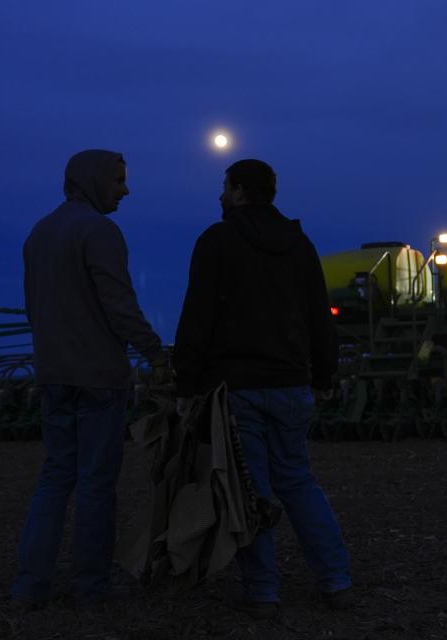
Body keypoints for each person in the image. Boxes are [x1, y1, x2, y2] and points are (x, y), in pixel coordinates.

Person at [173, 159, 352, 619]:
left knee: (251, 489)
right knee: (298, 481)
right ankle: (336, 580)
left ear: (237, 191)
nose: (220, 195)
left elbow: (198, 316)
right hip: (291, 385)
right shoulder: (299, 244)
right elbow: (319, 315)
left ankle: (263, 592)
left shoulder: (216, 242)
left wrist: (187, 382)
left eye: (224, 187)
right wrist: (324, 375)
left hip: (238, 388)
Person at [11, 149, 166, 610]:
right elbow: (119, 305)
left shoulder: (39, 233)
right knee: (97, 485)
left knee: (55, 478)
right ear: (96, 180)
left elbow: (33, 307)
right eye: (118, 180)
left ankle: (30, 584)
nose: (125, 189)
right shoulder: (99, 231)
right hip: (99, 378)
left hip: (54, 374)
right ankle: (91, 588)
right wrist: (155, 352)